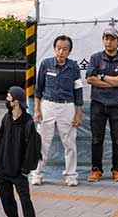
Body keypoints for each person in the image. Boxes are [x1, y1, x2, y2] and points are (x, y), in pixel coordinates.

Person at [33, 32, 84, 186]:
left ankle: (71, 175)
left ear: (69, 51)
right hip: (47, 105)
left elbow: (78, 91)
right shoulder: (46, 64)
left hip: (67, 106)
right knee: (42, 142)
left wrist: (78, 114)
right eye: (59, 48)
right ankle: (37, 173)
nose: (61, 52)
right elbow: (38, 89)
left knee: (69, 143)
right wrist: (37, 110)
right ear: (54, 49)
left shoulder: (74, 67)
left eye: (65, 49)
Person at [85, 25, 118, 181]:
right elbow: (90, 79)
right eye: (106, 38)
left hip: (117, 105)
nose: (109, 42)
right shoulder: (95, 58)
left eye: (112, 39)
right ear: (103, 40)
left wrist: (103, 77)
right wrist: (114, 81)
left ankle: (117, 169)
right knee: (96, 138)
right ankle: (96, 169)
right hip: (98, 103)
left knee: (117, 138)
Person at [0, 84, 43, 217]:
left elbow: (32, 150)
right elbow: (0, 138)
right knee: (7, 202)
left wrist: (25, 170)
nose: (6, 100)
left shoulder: (28, 123)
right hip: (2, 169)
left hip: (19, 172)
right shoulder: (6, 118)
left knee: (26, 202)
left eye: (9, 98)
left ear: (16, 102)